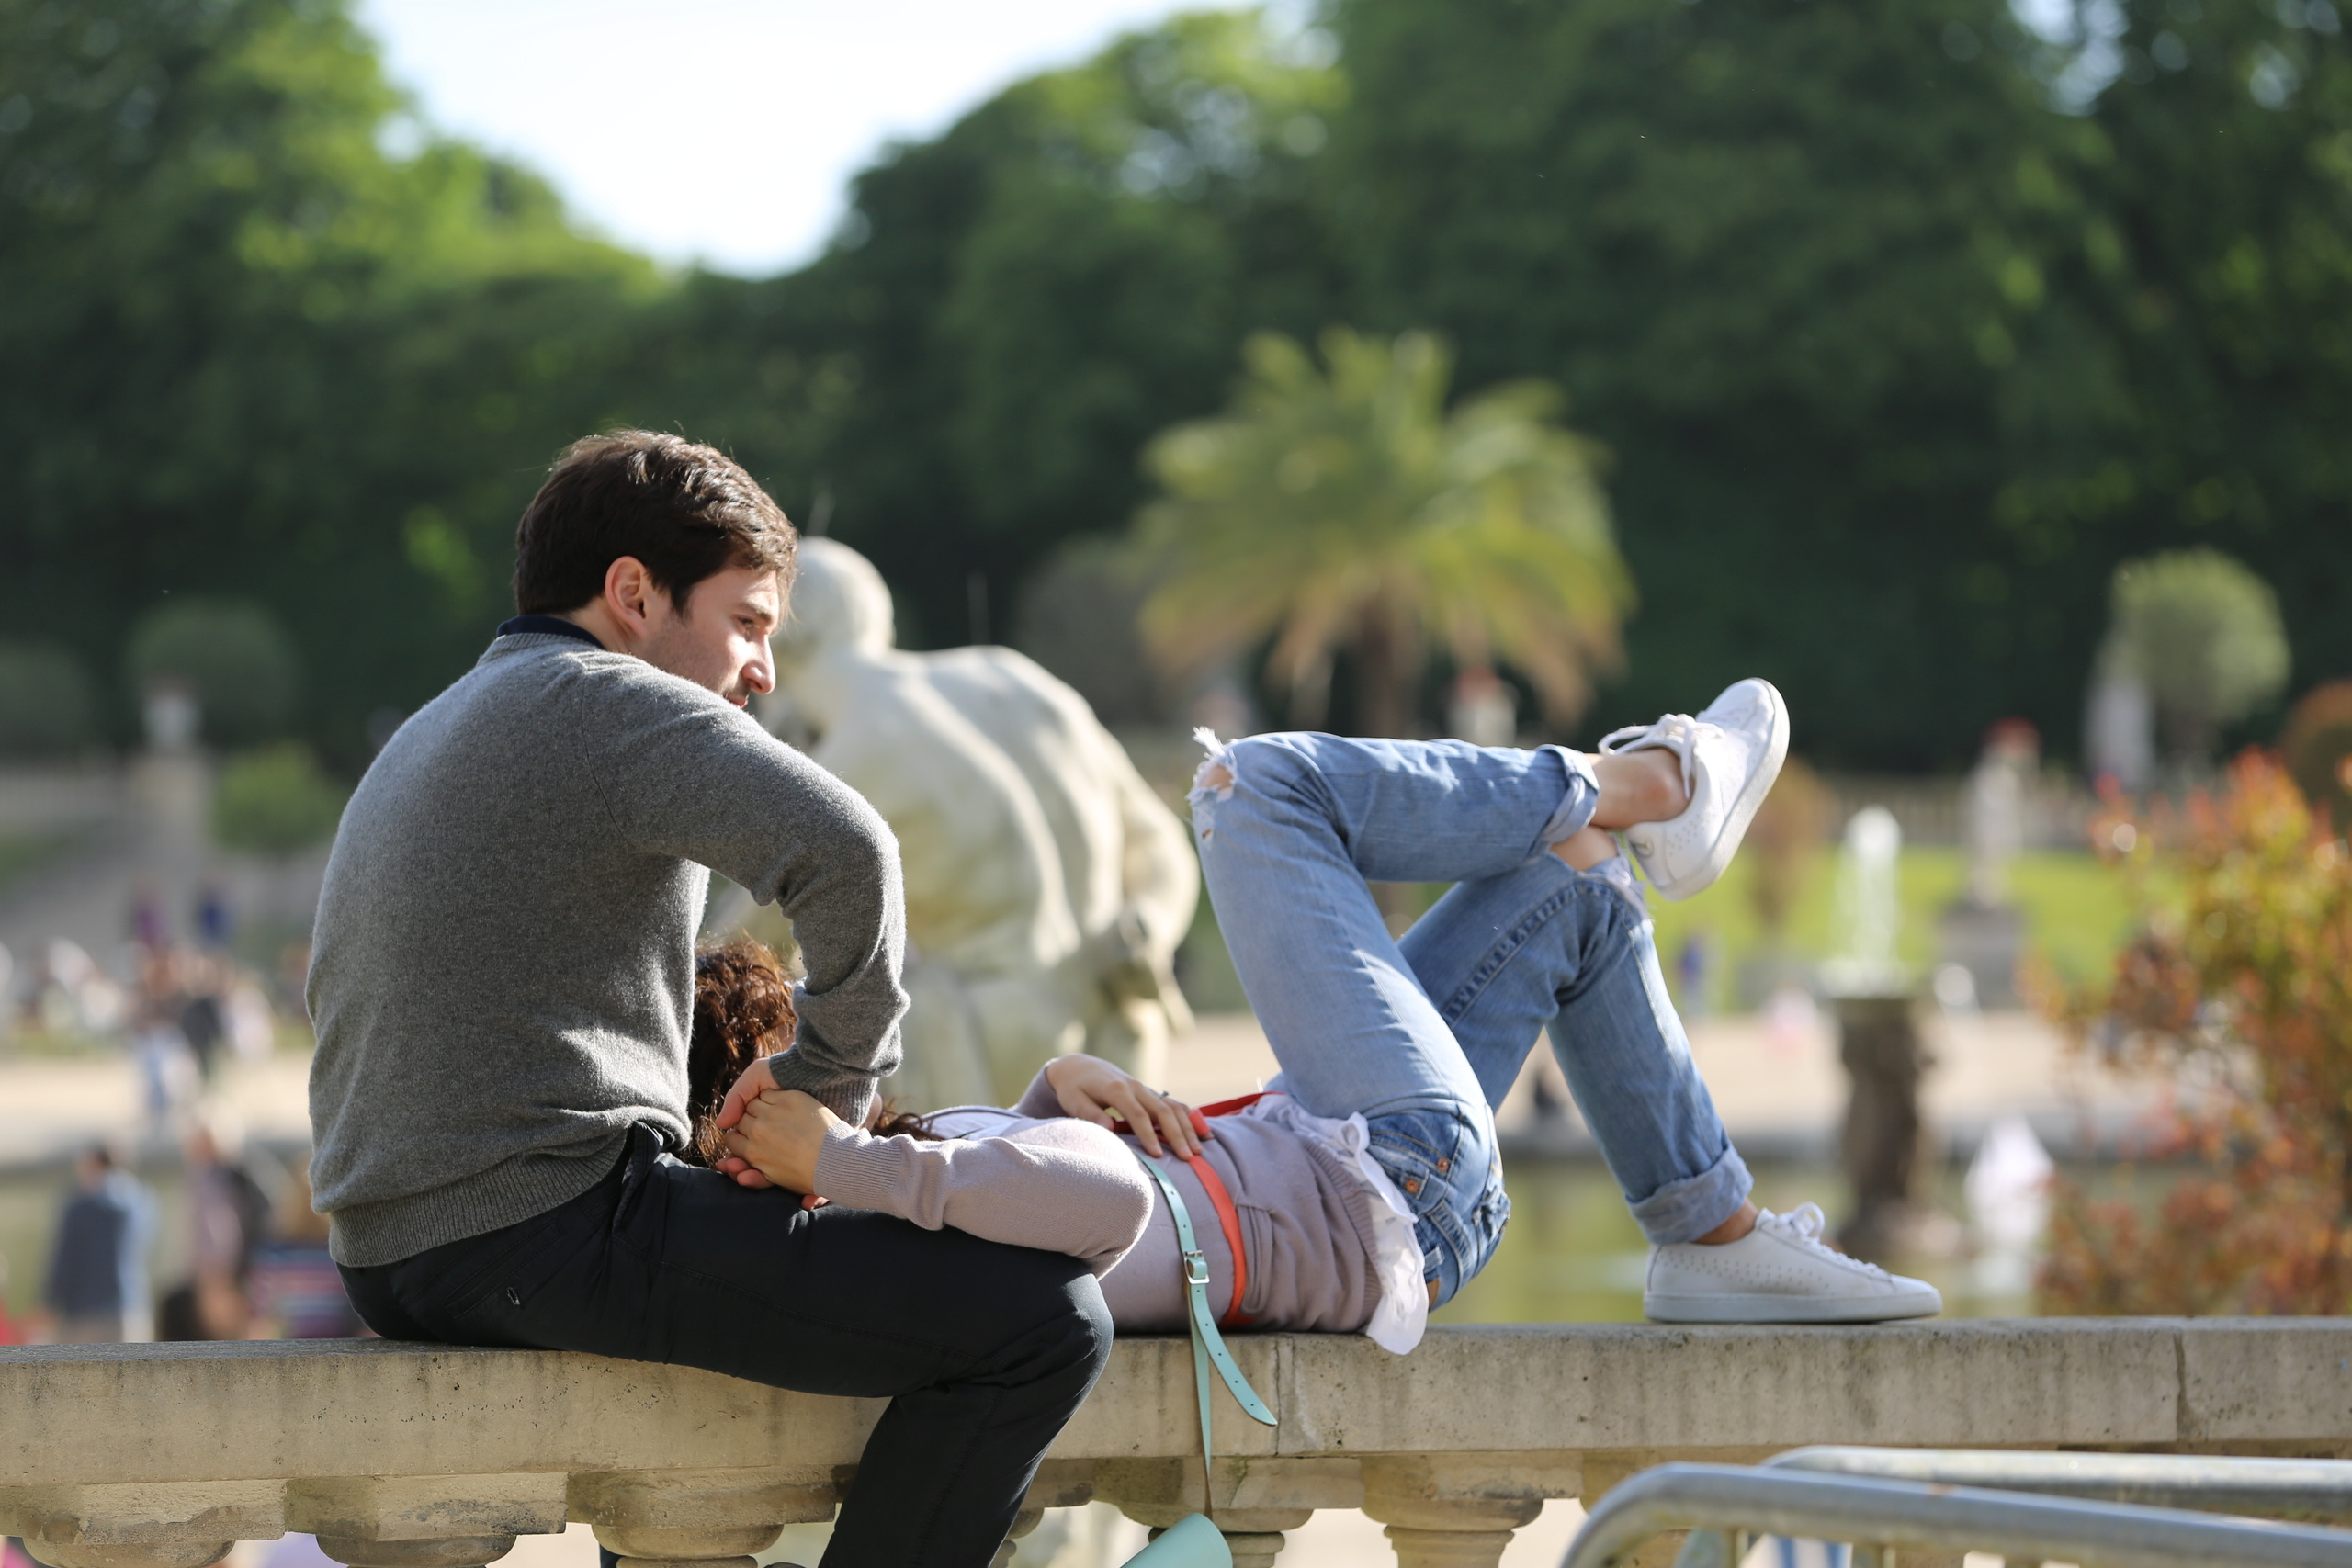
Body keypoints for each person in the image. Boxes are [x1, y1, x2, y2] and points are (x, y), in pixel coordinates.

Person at [307, 431, 1108, 1568]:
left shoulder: (439, 722)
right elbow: (851, 853)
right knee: (1045, 1322)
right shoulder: (609, 701)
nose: (764, 670)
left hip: (387, 1251)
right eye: (746, 621)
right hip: (539, 1228)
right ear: (632, 594)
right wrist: (828, 1091)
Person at [718, 682, 1941, 1334]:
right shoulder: (853, 1210)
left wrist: (1047, 1096)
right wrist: (852, 1158)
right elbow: (1103, 1203)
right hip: (1391, 1182)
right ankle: (1656, 779)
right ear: (743, 1130)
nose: (842, 1061)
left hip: (1332, 1149)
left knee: (1570, 894)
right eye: (804, 1059)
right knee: (1254, 783)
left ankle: (1710, 1236)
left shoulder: (885, 1181)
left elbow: (1067, 1213)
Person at [43, 1142, 155, 1344]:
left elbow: (65, 1261)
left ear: (94, 1164)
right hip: (132, 1309)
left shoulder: (81, 1207)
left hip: (86, 1314)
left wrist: (48, 1304)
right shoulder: (143, 1202)